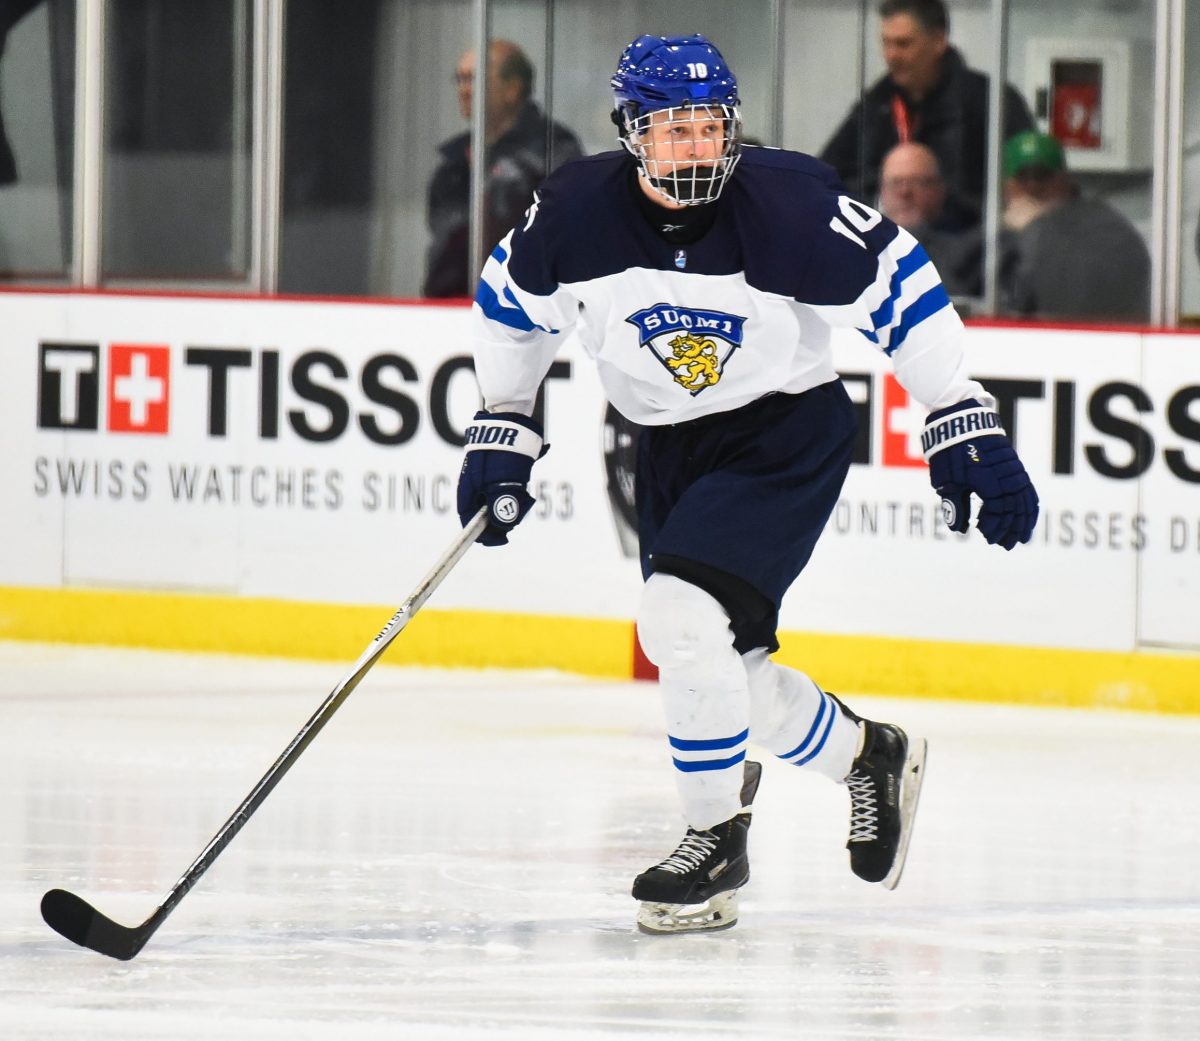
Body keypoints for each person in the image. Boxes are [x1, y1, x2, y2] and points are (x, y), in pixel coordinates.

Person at [455, 34, 1038, 934]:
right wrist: (504, 417)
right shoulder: (575, 210)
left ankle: (712, 838)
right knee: (725, 665)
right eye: (672, 129)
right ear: (630, 132)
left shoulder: (787, 205)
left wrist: (957, 408)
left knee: (676, 620)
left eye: (708, 127)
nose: (695, 146)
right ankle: (866, 757)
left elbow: (900, 285)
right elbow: (511, 306)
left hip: (781, 433)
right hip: (664, 444)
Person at [820, 0, 1034, 220]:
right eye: (886, 43)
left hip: (969, 243)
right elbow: (828, 175)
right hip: (887, 241)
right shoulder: (877, 105)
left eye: (903, 44)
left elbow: (1028, 185)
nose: (891, 55)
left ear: (938, 41)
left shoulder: (990, 101)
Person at [423, 39, 583, 298]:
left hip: (523, 309)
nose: (464, 90)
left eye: (473, 79)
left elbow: (568, 236)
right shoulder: (454, 162)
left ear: (512, 88)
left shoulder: (552, 150)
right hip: (450, 308)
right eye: (460, 79)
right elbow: (441, 238)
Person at [1000, 130, 1150, 323]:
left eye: (1042, 175)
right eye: (1023, 177)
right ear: (1007, 185)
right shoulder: (995, 230)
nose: (1033, 186)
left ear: (1064, 179)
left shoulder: (1104, 227)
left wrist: (1036, 228)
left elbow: (1081, 294)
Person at [878, 141, 982, 297]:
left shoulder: (972, 251)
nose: (904, 192)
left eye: (916, 182)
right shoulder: (857, 247)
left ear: (940, 190)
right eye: (895, 182)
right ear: (882, 192)